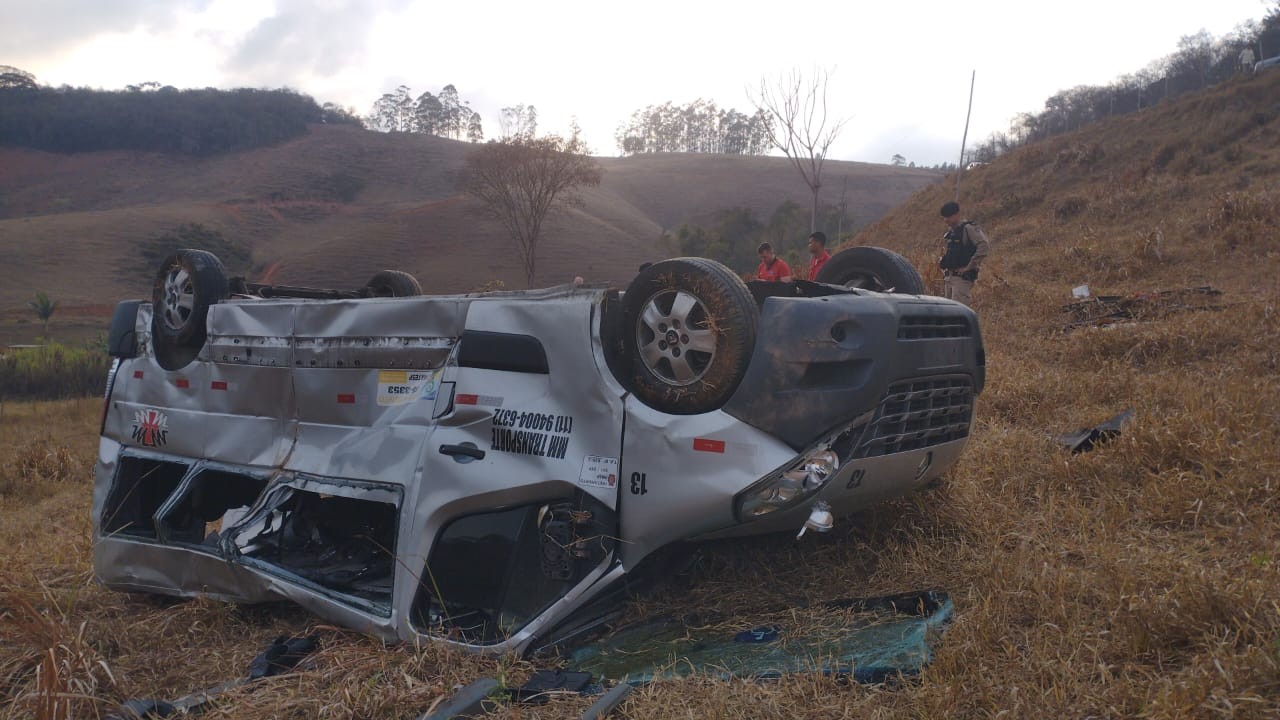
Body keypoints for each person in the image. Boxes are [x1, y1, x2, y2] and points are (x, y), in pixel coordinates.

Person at [937, 201, 990, 307]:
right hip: (949, 277)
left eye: (949, 216)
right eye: (944, 217)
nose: (946, 220)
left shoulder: (968, 228)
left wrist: (970, 266)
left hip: (962, 278)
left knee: (958, 312)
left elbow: (984, 246)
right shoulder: (952, 233)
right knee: (948, 312)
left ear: (957, 215)